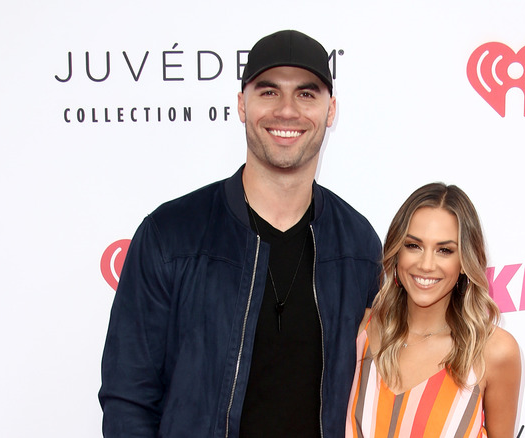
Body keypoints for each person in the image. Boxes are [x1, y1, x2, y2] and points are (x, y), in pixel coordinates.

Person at [99, 30, 382, 438]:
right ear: (241, 105)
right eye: (268, 92)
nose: (287, 111)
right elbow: (128, 399)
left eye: (306, 94)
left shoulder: (357, 245)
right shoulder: (172, 236)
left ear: (331, 110)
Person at [346, 183, 522, 438]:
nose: (426, 264)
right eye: (413, 246)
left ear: (464, 262)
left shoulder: (493, 352)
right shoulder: (360, 330)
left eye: (445, 250)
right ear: (396, 252)